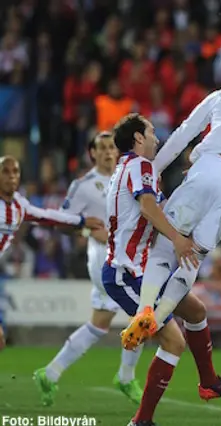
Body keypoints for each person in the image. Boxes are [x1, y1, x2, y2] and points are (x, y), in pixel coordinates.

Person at [120, 51, 221, 349]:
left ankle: (144, 308)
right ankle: (158, 320)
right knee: (194, 254)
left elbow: (186, 132)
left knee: (167, 242)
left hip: (210, 166)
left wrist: (152, 169)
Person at [101, 114, 221, 426]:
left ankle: (208, 381)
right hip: (125, 271)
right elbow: (148, 208)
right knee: (174, 341)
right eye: (152, 132)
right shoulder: (140, 166)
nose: (157, 138)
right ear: (138, 138)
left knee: (195, 311)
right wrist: (178, 240)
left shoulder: (131, 169)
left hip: (138, 268)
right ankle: (141, 421)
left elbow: (160, 209)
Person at [34, 132, 145, 406]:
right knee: (144, 312)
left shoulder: (125, 176)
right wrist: (85, 230)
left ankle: (50, 373)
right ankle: (126, 375)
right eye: (102, 148)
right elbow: (61, 220)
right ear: (92, 154)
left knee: (101, 321)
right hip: (103, 257)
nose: (108, 152)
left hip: (127, 255)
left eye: (111, 147)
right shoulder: (83, 185)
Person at [0, 156, 103, 352]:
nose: (11, 177)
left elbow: (47, 216)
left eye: (15, 172)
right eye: (5, 171)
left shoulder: (19, 205)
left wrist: (80, 221)